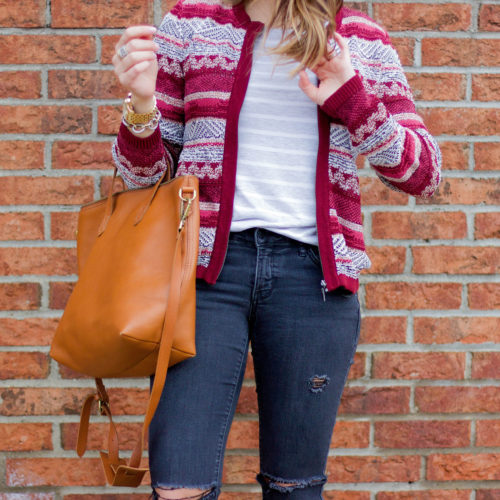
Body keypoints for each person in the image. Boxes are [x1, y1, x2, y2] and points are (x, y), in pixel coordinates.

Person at [111, 0, 441, 498]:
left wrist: (353, 97)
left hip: (313, 282)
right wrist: (140, 107)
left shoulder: (360, 39)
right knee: (178, 485)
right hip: (203, 277)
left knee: (295, 487)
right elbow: (147, 179)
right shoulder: (193, 24)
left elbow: (423, 174)